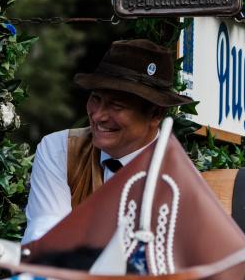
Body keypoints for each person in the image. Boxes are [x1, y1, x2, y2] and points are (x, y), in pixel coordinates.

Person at [22, 38, 192, 243]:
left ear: (155, 114)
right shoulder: (61, 149)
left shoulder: (178, 179)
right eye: (95, 99)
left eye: (116, 105)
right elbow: (45, 239)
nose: (97, 116)